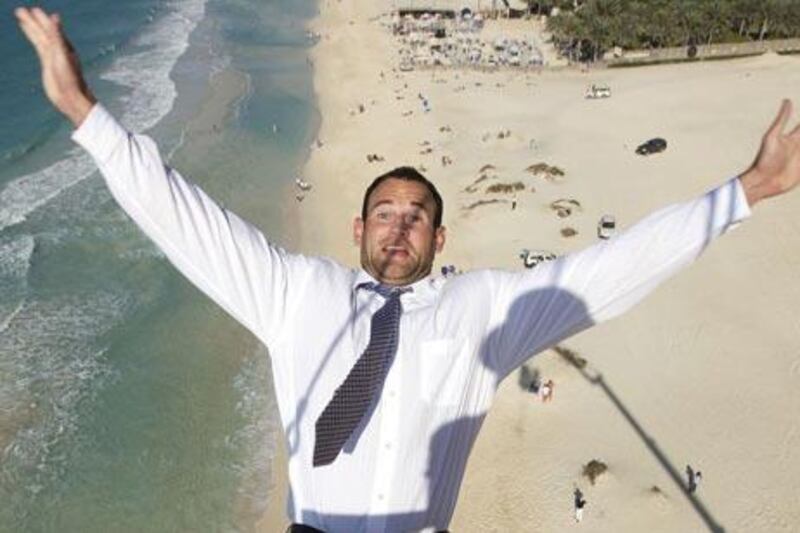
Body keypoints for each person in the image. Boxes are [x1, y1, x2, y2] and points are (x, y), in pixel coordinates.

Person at [15, 6, 800, 532]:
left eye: (416, 214)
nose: (400, 225)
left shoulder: (482, 308)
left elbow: (611, 269)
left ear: (440, 235)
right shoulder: (295, 292)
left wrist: (746, 190)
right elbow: (184, 219)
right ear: (358, 228)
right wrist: (88, 115)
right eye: (385, 212)